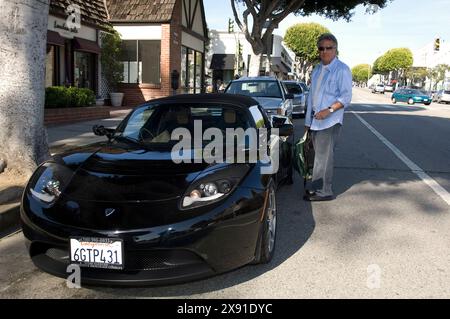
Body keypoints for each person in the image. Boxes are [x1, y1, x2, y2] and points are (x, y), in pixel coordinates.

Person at [303, 33, 352, 201]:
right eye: (321, 48)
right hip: (315, 121)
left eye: (328, 48)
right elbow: (311, 97)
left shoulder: (342, 69)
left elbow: (345, 98)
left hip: (329, 121)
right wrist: (307, 122)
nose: (324, 51)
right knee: (317, 157)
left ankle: (324, 191)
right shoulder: (317, 70)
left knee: (323, 157)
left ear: (335, 49)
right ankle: (316, 187)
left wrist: (328, 110)